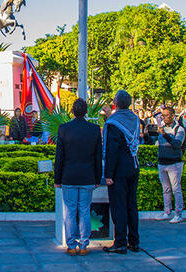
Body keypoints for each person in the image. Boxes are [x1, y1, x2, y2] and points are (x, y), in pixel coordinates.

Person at [54, 98, 102, 256]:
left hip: (69, 176)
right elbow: (98, 157)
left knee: (70, 211)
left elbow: (59, 157)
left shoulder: (64, 129)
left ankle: (71, 245)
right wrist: (97, 178)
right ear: (87, 111)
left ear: (72, 112)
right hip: (88, 176)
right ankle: (83, 245)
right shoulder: (94, 129)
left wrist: (57, 179)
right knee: (84, 211)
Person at [102, 90, 141, 254]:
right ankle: (134, 241)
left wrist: (108, 174)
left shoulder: (113, 123)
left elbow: (112, 151)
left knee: (119, 206)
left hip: (119, 170)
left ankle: (120, 242)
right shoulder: (135, 119)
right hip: (133, 166)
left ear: (115, 103)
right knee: (131, 205)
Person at [154, 106, 185, 223]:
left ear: (173, 116)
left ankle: (178, 213)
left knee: (176, 189)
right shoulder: (162, 128)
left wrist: (165, 135)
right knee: (166, 189)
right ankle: (167, 211)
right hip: (162, 162)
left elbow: (177, 143)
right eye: (163, 116)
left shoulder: (179, 129)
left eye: (167, 115)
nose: (165, 118)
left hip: (174, 163)